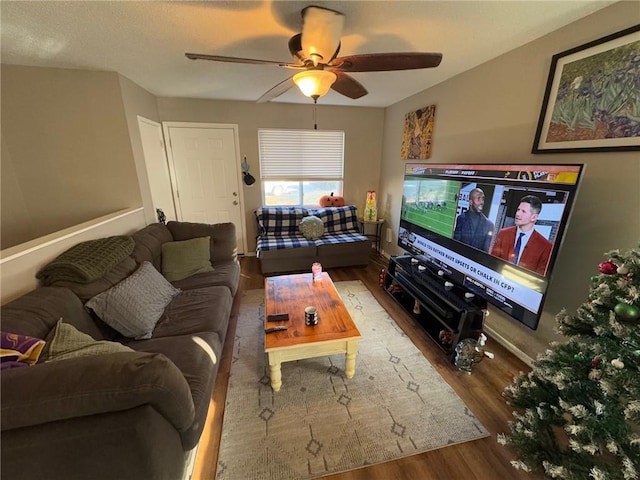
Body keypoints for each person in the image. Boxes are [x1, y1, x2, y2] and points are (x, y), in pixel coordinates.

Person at [490, 195, 552, 276]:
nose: (518, 214)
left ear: (534, 217)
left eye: (523, 211)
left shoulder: (545, 246)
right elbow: (492, 263)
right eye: (518, 210)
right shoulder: (503, 234)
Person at [453, 188, 494, 252]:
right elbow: (455, 245)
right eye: (478, 198)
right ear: (470, 202)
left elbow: (485, 252)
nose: (482, 202)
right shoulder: (461, 219)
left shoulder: (489, 225)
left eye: (483, 199)